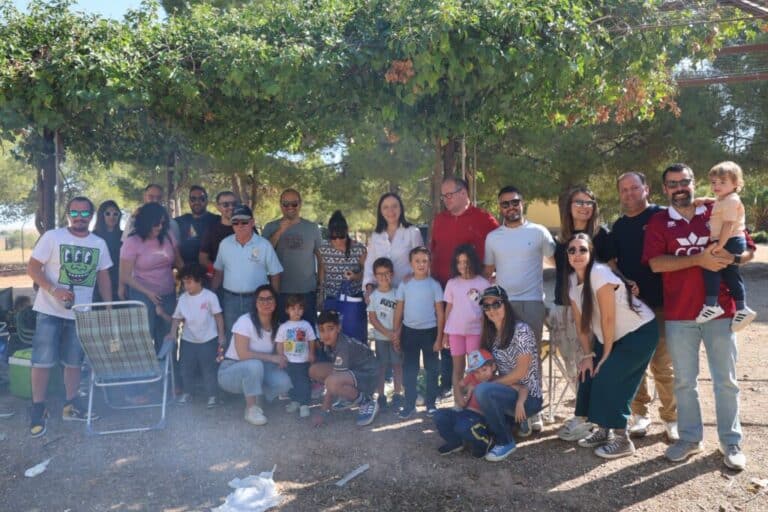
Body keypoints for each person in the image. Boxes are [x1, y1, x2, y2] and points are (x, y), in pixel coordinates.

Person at [643, 163, 756, 471]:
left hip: (721, 311)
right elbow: (655, 264)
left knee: (725, 381)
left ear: (693, 183)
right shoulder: (658, 222)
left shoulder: (717, 207)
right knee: (684, 382)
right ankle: (690, 438)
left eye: (684, 181)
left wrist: (733, 258)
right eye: (672, 183)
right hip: (680, 313)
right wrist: (699, 259)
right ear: (665, 189)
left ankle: (731, 441)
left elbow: (747, 250)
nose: (679, 187)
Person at [563, 233, 658, 459]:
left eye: (582, 250)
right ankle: (603, 430)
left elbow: (608, 319)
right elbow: (582, 325)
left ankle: (622, 440)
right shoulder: (571, 281)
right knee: (587, 373)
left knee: (608, 376)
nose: (577, 254)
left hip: (639, 332)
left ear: (591, 252)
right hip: (611, 338)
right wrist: (588, 354)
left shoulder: (599, 273)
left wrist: (604, 356)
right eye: (572, 250)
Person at [26, 196, 113, 437]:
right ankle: (38, 408)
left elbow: (104, 277)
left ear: (91, 216)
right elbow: (33, 268)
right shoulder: (52, 237)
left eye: (85, 213)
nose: (79, 217)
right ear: (68, 214)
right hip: (49, 311)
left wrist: (106, 309)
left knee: (74, 362)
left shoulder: (99, 243)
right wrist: (54, 290)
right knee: (42, 361)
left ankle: (70, 404)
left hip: (81, 313)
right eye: (75, 212)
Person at [609, 172, 677, 441]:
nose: (629, 193)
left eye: (634, 188)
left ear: (646, 189)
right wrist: (624, 283)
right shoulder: (618, 226)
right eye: (624, 189)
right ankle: (640, 414)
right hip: (632, 307)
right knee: (635, 364)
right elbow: (614, 265)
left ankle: (672, 418)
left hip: (662, 304)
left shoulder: (663, 216)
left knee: (663, 366)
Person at [483, 185, 554, 432]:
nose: (510, 207)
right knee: (505, 358)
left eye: (514, 202)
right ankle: (513, 408)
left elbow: (556, 261)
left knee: (532, 358)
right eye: (505, 204)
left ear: (522, 203)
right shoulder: (493, 237)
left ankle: (534, 410)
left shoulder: (539, 232)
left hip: (533, 302)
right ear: (499, 207)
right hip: (503, 305)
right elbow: (487, 272)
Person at [553, 186, 616, 441]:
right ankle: (585, 414)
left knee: (593, 361)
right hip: (565, 308)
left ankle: (592, 418)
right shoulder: (560, 240)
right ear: (569, 206)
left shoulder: (603, 236)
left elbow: (612, 271)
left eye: (589, 202)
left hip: (595, 310)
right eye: (578, 201)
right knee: (573, 364)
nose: (584, 206)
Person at [431, 177, 499, 397]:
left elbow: (500, 246)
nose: (446, 200)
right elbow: (432, 250)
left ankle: (477, 394)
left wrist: (494, 273)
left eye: (449, 195)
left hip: (474, 293)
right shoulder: (439, 220)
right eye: (443, 196)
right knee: (448, 338)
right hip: (444, 288)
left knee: (475, 352)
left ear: (463, 193)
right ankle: (449, 387)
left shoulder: (484, 218)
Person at [474, 285, 543, 462]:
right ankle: (516, 422)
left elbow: (521, 372)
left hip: (529, 397)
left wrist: (490, 385)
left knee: (483, 391)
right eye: (487, 306)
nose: (491, 310)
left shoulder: (521, 330)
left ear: (506, 304)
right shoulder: (491, 334)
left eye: (496, 304)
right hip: (509, 390)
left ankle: (506, 442)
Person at [217, 285, 292, 426]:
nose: (266, 303)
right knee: (254, 365)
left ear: (275, 303)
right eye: (261, 300)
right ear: (255, 303)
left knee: (284, 382)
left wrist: (283, 357)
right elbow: (243, 354)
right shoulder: (244, 321)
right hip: (230, 371)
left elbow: (279, 354)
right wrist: (272, 358)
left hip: (259, 370)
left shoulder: (279, 326)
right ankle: (251, 409)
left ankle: (257, 396)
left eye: (270, 299)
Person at [694, 161, 756, 331]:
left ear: (736, 184)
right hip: (731, 240)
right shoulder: (724, 198)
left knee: (711, 268)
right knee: (730, 274)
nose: (717, 186)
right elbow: (717, 201)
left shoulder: (730, 200)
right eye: (714, 182)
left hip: (729, 240)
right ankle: (742, 308)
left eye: (722, 182)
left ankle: (711, 305)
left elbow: (728, 224)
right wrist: (706, 199)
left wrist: (719, 246)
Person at [212, 205, 282, 344]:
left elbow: (275, 274)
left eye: (244, 222)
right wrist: (210, 296)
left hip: (257, 301)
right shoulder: (225, 244)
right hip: (230, 300)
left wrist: (274, 299)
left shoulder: (264, 245)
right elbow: (218, 273)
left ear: (252, 222)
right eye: (235, 222)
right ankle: (232, 365)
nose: (240, 226)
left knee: (259, 338)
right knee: (231, 337)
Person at [119, 202, 183, 351]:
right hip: (142, 294)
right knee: (143, 339)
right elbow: (125, 276)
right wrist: (148, 293)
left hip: (167, 293)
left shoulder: (168, 236)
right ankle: (146, 373)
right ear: (146, 222)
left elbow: (179, 262)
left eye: (162, 223)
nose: (159, 227)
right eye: (155, 224)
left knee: (168, 336)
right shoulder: (132, 242)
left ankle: (167, 372)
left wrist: (189, 280)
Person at [393, 246, 444, 419]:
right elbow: (399, 310)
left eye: (424, 261)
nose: (421, 264)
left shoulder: (434, 285)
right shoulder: (404, 284)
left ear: (429, 262)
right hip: (409, 333)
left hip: (430, 332)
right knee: (410, 370)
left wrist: (439, 337)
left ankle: (431, 403)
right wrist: (396, 333)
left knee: (432, 369)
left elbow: (440, 313)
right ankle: (409, 404)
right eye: (417, 261)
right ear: (411, 263)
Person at [166, 264, 225, 408]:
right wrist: (172, 333)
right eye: (184, 282)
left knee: (209, 368)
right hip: (188, 340)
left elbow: (218, 317)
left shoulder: (210, 296)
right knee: (186, 368)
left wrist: (221, 335)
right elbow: (176, 318)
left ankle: (212, 395)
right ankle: (188, 393)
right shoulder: (182, 299)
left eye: (189, 281)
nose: (186, 285)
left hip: (208, 339)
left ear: (199, 281)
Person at [310, 310, 380, 427]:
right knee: (314, 370)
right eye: (322, 330)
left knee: (332, 382)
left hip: (369, 375)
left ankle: (366, 401)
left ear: (338, 328)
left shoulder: (343, 345)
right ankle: (350, 396)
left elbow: (332, 380)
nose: (326, 334)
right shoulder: (329, 343)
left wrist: (323, 412)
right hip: (354, 371)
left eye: (330, 328)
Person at [261, 189, 322, 324]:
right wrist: (280, 231)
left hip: (307, 291)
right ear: (280, 205)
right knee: (283, 335)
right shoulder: (270, 227)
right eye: (285, 204)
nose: (290, 207)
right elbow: (263, 253)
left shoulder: (312, 228)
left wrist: (321, 286)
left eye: (294, 204)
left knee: (307, 333)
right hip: (280, 292)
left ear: (300, 204)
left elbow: (321, 258)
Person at [443, 244, 489, 405]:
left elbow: (486, 311)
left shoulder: (483, 283)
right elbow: (448, 309)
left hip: (475, 332)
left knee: (475, 369)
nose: (462, 265)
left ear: (473, 262)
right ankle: (458, 402)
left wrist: (485, 334)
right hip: (455, 332)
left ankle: (474, 402)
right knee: (458, 369)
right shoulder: (452, 283)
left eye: (466, 261)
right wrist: (444, 334)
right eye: (459, 262)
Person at [432, 349, 496, 457]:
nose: (480, 375)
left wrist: (475, 387)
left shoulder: (495, 381)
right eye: (476, 371)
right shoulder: (472, 377)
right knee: (439, 415)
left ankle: (484, 442)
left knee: (462, 425)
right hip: (465, 412)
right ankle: (455, 442)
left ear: (493, 367)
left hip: (481, 417)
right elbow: (459, 385)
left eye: (484, 370)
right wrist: (463, 395)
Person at [317, 210, 367, 341]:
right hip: (332, 298)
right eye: (334, 237)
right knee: (332, 336)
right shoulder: (323, 249)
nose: (338, 241)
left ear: (347, 232)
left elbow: (367, 273)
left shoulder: (359, 249)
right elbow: (322, 272)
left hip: (353, 299)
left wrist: (356, 277)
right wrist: (321, 295)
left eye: (341, 236)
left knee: (354, 334)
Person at [363, 192, 424, 299]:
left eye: (394, 206)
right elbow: (370, 264)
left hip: (408, 294)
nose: (390, 211)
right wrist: (369, 287)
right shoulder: (376, 236)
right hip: (382, 295)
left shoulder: (413, 232)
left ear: (401, 208)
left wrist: (413, 276)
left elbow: (422, 262)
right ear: (380, 211)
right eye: (385, 207)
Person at [366, 257, 404, 410]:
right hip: (382, 337)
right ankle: (381, 396)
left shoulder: (397, 293)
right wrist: (388, 334)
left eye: (386, 273)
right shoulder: (373, 296)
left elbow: (402, 316)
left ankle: (397, 394)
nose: (383, 277)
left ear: (392, 274)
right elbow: (373, 319)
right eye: (379, 274)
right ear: (375, 276)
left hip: (397, 337)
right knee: (381, 367)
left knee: (397, 366)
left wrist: (397, 334)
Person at [275, 294, 317, 418]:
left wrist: (311, 353)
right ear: (287, 310)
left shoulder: (306, 325)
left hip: (303, 360)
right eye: (293, 308)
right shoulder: (284, 327)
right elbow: (279, 343)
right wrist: (280, 357)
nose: (297, 311)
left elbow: (312, 340)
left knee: (303, 381)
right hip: (289, 360)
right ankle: (295, 401)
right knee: (291, 381)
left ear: (303, 310)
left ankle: (304, 404)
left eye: (300, 308)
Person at [175, 185, 220, 267]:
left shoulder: (217, 220)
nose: (197, 202)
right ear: (189, 201)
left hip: (210, 272)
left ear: (207, 201)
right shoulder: (179, 221)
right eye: (193, 199)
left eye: (201, 199)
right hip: (187, 274)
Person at [92, 199, 122, 302]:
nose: (112, 217)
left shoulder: (124, 236)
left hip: (120, 285)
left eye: (115, 213)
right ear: (101, 215)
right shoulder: (92, 236)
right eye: (108, 213)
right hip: (97, 285)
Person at [199, 191, 237, 269]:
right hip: (220, 278)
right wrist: (219, 273)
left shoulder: (247, 226)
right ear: (218, 207)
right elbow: (203, 259)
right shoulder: (211, 229)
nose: (231, 207)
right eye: (226, 205)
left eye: (234, 204)